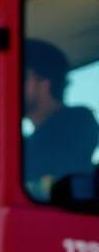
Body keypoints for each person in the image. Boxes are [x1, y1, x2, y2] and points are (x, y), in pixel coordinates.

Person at [23, 38, 98, 194]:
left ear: (44, 83)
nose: (8, 88)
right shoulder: (33, 141)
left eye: (20, 77)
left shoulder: (78, 123)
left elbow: (50, 165)